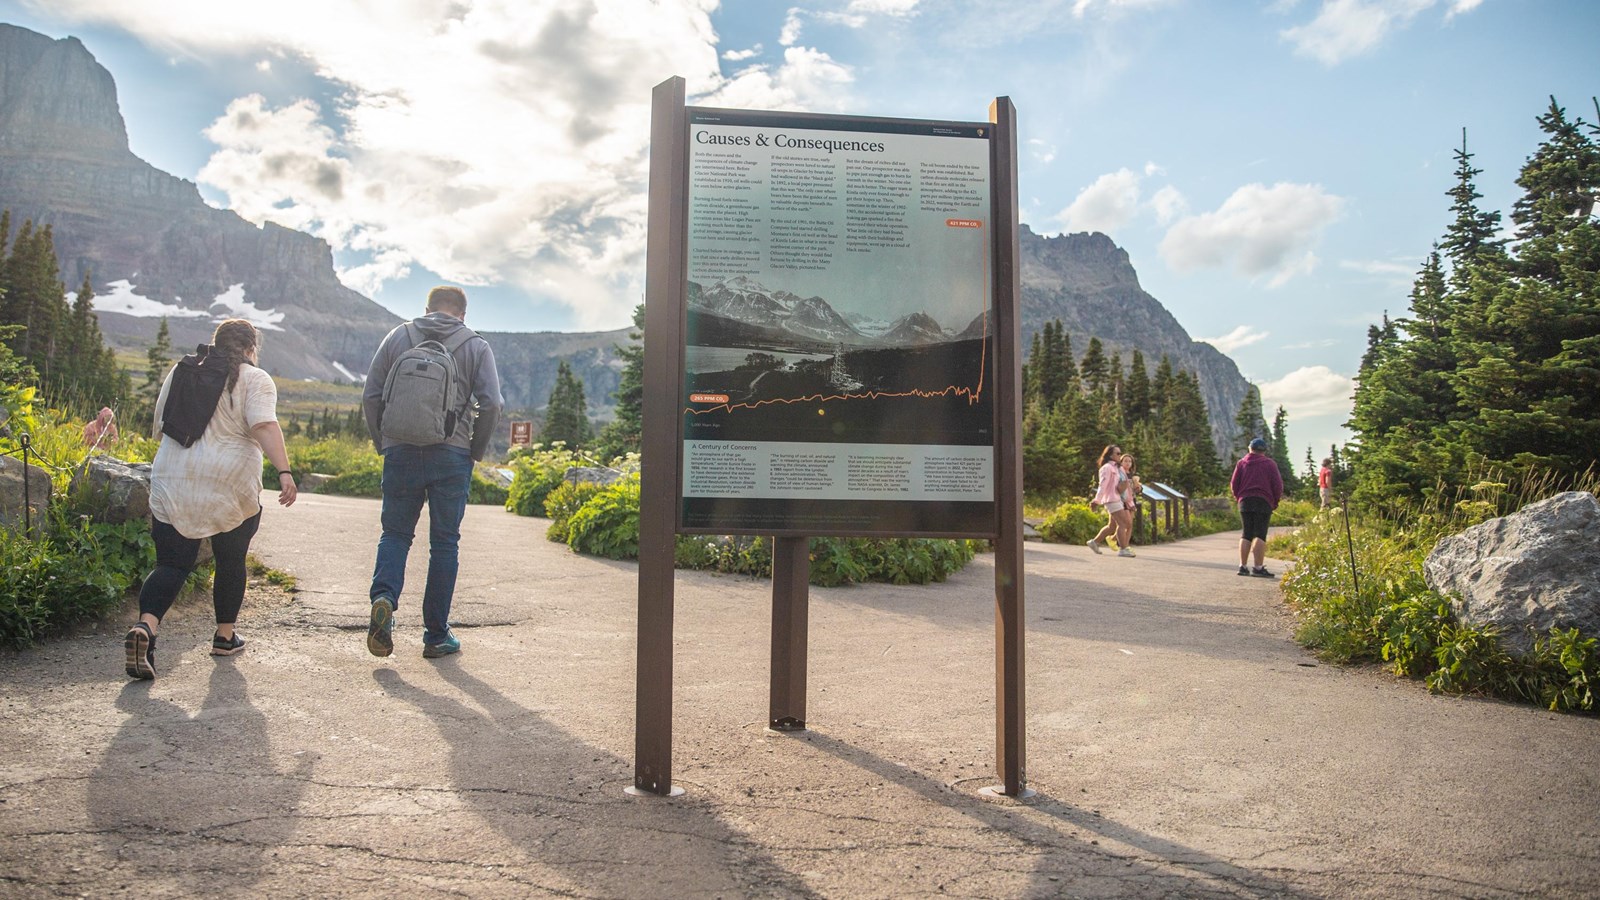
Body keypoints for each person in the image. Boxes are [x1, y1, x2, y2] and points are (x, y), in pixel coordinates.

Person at [124, 319, 298, 680]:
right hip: (229, 481)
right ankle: (224, 636)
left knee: (172, 563)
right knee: (231, 559)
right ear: (251, 348)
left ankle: (146, 628)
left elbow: (159, 423)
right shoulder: (255, 378)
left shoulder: (182, 370)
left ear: (215, 343)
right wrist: (284, 472)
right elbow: (263, 425)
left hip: (173, 475)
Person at [363, 286, 503, 659]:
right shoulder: (475, 345)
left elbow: (371, 395)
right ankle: (436, 635)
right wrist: (473, 451)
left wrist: (384, 442)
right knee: (444, 544)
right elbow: (492, 404)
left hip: (400, 451)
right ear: (463, 314)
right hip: (451, 454)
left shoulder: (399, 335)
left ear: (426, 310)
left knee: (394, 533)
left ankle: (384, 599)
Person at [1231, 437, 1284, 578]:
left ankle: (1242, 566)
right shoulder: (1270, 464)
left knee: (1246, 533)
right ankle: (1258, 567)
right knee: (1260, 534)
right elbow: (1277, 485)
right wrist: (1275, 502)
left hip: (1245, 501)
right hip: (1264, 500)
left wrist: (1239, 498)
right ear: (1263, 451)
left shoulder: (1241, 463)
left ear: (1250, 449)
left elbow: (1234, 484)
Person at [1086, 444, 1131, 556]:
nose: (1120, 455)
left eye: (1120, 453)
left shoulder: (1119, 468)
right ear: (1110, 455)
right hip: (1111, 499)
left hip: (1119, 498)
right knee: (1123, 523)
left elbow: (1125, 485)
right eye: (1118, 453)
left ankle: (1094, 542)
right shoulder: (1106, 468)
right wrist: (1097, 500)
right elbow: (1103, 485)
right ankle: (1123, 549)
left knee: (1112, 526)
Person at [1117, 453, 1143, 557]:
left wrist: (1138, 487)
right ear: (1121, 462)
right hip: (1122, 500)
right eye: (1125, 461)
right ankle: (1122, 546)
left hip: (1132, 500)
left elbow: (1138, 490)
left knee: (1130, 524)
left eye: (1130, 461)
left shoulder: (1133, 475)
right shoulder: (1120, 473)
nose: (1128, 463)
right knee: (1123, 523)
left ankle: (1126, 545)